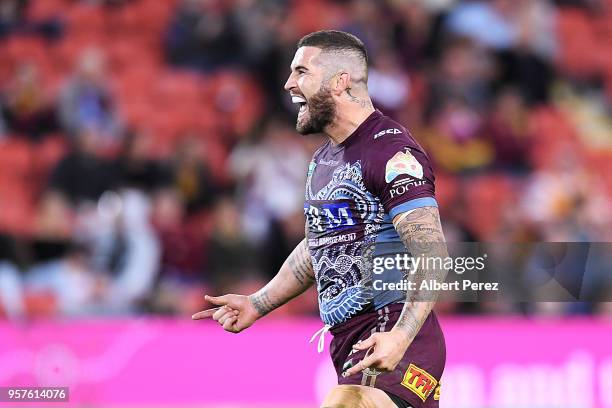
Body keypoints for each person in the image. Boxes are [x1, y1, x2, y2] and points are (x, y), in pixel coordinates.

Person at [193, 30, 448, 408]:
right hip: (350, 341)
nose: (289, 83)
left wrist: (400, 336)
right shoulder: (325, 160)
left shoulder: (392, 153)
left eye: (301, 72)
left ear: (340, 81)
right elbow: (321, 247)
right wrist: (258, 303)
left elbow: (433, 253)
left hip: (392, 334)